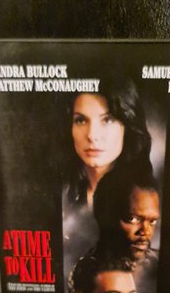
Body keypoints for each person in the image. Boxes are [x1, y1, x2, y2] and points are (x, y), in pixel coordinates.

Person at [64, 75, 153, 208]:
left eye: (107, 120)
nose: (92, 135)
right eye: (81, 120)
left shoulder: (147, 199)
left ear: (127, 126)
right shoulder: (60, 194)